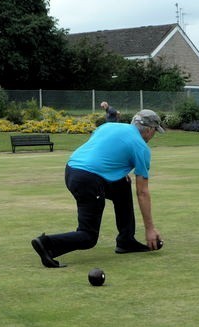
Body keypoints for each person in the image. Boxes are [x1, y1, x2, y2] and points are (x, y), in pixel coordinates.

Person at [31, 109, 164, 268]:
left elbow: (100, 150)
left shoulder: (109, 126)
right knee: (88, 237)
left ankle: (126, 241)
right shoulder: (141, 147)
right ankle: (47, 244)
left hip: (71, 170)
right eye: (155, 132)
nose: (153, 136)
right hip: (88, 181)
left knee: (122, 185)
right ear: (149, 130)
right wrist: (150, 228)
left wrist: (117, 173)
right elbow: (142, 192)